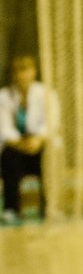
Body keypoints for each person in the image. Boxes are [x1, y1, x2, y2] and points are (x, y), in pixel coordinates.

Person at [0, 54, 51, 224]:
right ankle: (11, 208)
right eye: (19, 71)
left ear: (34, 72)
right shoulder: (4, 96)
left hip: (39, 144)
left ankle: (49, 205)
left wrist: (38, 140)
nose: (23, 76)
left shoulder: (45, 94)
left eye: (27, 70)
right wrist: (21, 144)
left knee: (49, 157)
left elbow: (50, 122)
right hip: (17, 146)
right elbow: (5, 128)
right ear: (14, 74)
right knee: (9, 158)